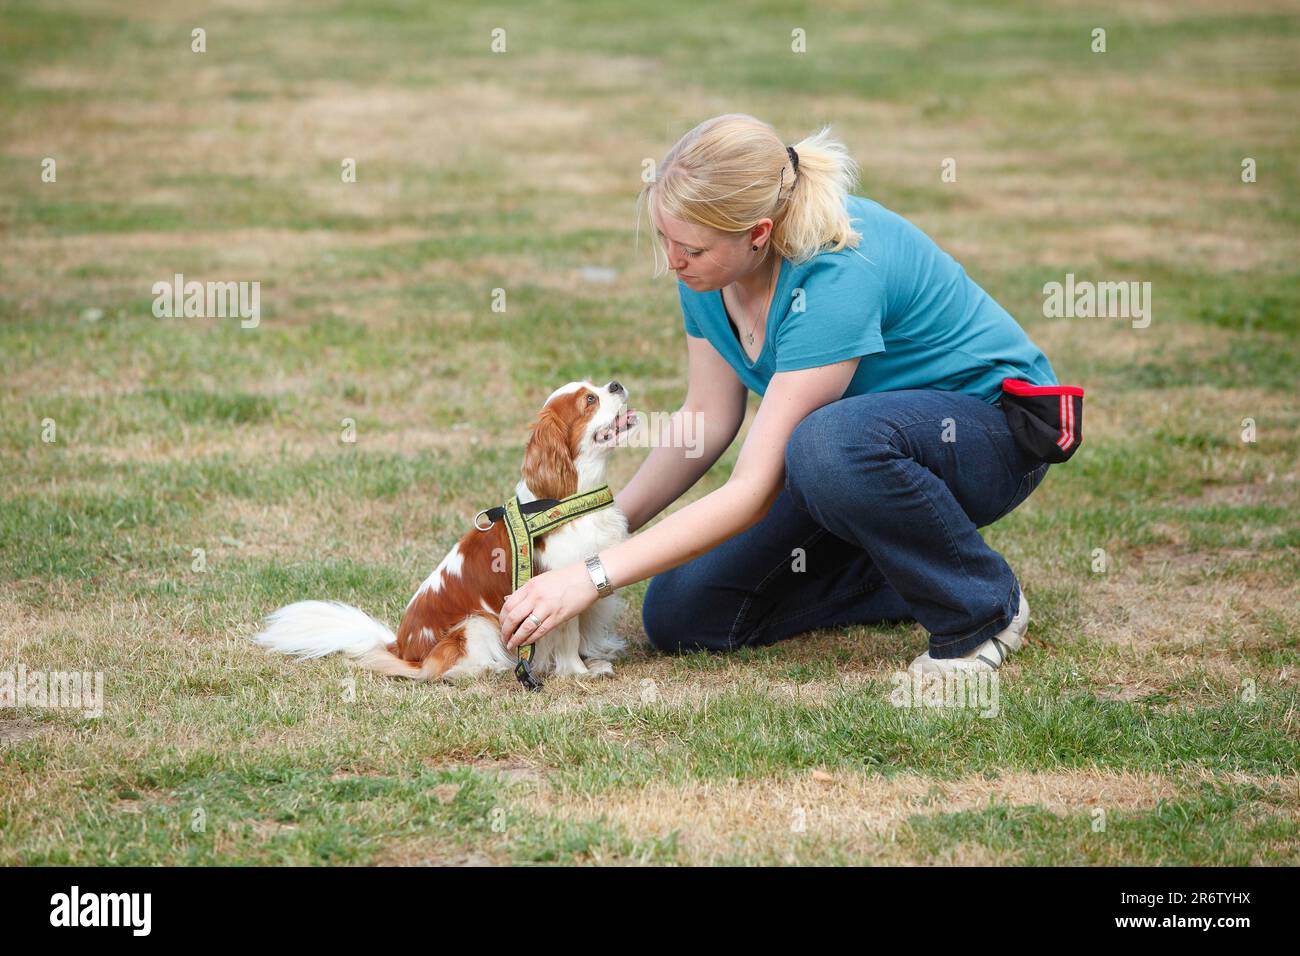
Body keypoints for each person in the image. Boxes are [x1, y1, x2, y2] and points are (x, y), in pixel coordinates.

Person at [500, 112, 1057, 674]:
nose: (672, 260)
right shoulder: (709, 270)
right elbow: (708, 419)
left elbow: (751, 491)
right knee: (684, 613)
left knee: (823, 446)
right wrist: (594, 531)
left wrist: (591, 576)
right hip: (868, 456)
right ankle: (928, 569)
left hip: (995, 433)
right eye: (664, 238)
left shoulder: (835, 272)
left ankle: (980, 608)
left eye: (689, 248)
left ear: (758, 235)